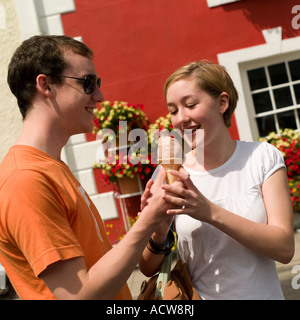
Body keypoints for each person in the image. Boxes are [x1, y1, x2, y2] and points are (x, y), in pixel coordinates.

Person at [0, 35, 178, 300]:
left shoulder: (48, 168)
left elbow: (97, 267)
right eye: (88, 83)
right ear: (45, 85)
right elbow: (79, 296)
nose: (99, 95)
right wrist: (149, 218)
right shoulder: (26, 180)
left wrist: (157, 229)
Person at [139, 61, 295, 300]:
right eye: (173, 110)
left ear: (222, 102)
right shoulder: (170, 173)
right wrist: (159, 233)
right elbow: (147, 268)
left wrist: (210, 212)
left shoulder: (262, 157)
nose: (180, 118)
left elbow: (284, 248)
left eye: (190, 105)